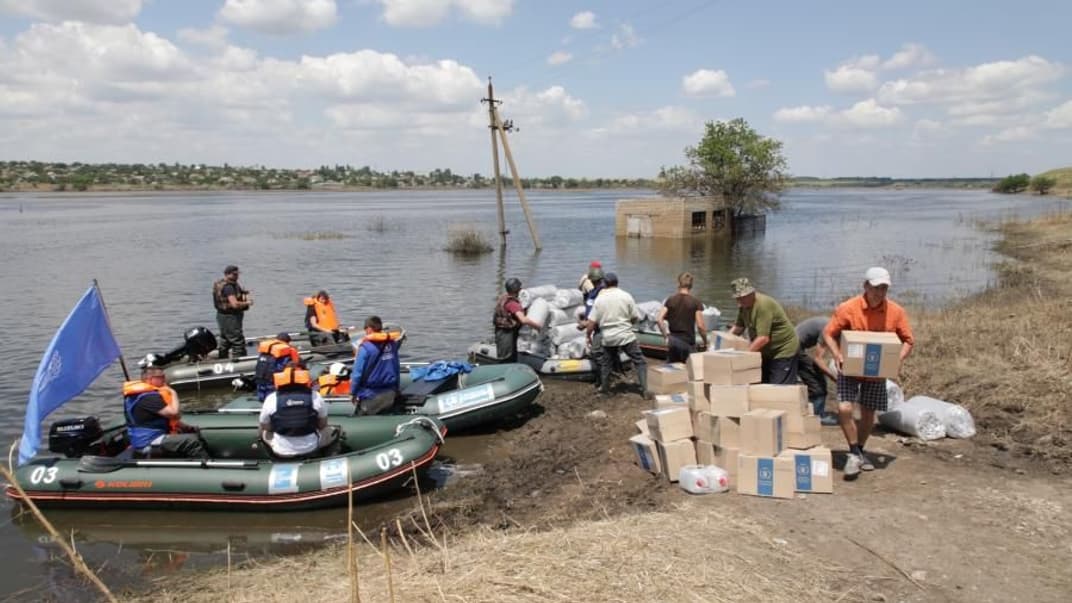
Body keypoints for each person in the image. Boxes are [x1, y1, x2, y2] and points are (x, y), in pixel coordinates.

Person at [824, 267, 914, 479]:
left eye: (883, 288)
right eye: (875, 287)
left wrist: (897, 358)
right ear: (865, 286)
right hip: (850, 368)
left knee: (868, 412)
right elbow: (828, 333)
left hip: (876, 371)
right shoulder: (848, 308)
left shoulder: (896, 312)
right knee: (844, 408)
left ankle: (859, 451)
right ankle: (854, 451)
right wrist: (837, 355)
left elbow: (908, 340)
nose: (879, 292)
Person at [123, 363, 207, 459]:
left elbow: (165, 417)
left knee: (190, 433)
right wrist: (173, 393)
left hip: (155, 434)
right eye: (161, 377)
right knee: (191, 441)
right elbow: (174, 413)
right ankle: (206, 467)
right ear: (150, 379)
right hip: (148, 441)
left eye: (164, 376)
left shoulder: (145, 394)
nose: (164, 379)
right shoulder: (148, 397)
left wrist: (187, 427)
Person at [585, 272, 647, 397]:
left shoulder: (599, 300)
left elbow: (591, 323)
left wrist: (588, 335)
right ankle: (645, 390)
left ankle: (605, 390)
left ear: (605, 284)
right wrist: (627, 323)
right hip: (626, 336)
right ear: (617, 283)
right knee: (639, 361)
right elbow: (635, 317)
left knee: (606, 364)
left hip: (608, 338)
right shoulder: (626, 296)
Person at [729, 277, 800, 384]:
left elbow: (763, 338)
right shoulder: (743, 306)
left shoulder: (763, 305)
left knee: (779, 388)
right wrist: (720, 343)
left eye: (743, 297)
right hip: (765, 352)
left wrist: (743, 357)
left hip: (783, 349)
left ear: (751, 293)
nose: (740, 301)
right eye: (738, 298)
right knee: (762, 385)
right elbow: (738, 327)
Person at [258, 364, 330, 458]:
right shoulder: (316, 396)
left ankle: (268, 458)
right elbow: (322, 424)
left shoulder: (271, 398)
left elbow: (265, 425)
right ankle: (327, 458)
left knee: (261, 429)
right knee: (330, 430)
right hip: (310, 448)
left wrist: (281, 427)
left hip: (281, 451)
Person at [350, 315, 403, 416]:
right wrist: (396, 388)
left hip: (371, 394)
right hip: (390, 392)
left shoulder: (365, 348)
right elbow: (396, 367)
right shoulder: (392, 344)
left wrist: (353, 393)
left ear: (369, 329)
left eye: (365, 330)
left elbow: (357, 373)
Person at [795, 316, 839, 426]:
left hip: (793, 345)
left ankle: (811, 411)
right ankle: (818, 416)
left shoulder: (831, 323)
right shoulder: (829, 328)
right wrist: (834, 377)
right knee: (817, 382)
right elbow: (818, 359)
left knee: (810, 378)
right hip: (793, 347)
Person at [657, 272, 709, 363]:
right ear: (691, 285)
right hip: (687, 342)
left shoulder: (670, 300)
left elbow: (659, 319)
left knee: (672, 370)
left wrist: (665, 336)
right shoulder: (695, 302)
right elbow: (700, 326)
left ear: (679, 283)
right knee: (691, 372)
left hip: (672, 341)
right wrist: (705, 342)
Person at [492, 278, 545, 363]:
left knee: (504, 355)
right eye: (520, 288)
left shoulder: (504, 298)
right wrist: (537, 326)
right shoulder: (513, 304)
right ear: (517, 289)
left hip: (500, 331)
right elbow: (523, 320)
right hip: (507, 334)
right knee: (507, 358)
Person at [212, 265, 252, 359]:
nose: (237, 276)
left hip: (221, 316)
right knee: (237, 341)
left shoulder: (221, 283)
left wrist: (244, 292)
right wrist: (247, 302)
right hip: (231, 317)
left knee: (225, 339)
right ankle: (240, 362)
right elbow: (234, 304)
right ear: (227, 274)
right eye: (234, 275)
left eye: (237, 274)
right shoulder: (228, 287)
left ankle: (222, 359)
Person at [577, 267, 608, 389]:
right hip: (594, 327)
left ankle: (603, 383)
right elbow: (591, 310)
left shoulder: (602, 293)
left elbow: (599, 314)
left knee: (597, 354)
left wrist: (586, 325)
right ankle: (601, 380)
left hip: (600, 329)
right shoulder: (592, 292)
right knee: (599, 354)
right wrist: (584, 318)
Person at [252, 332, 300, 402]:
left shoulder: (265, 349)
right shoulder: (289, 350)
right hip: (273, 385)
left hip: (259, 381)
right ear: (288, 341)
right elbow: (296, 366)